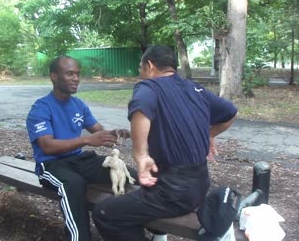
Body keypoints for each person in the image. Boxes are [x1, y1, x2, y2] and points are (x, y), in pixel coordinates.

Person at [92, 45, 238, 241]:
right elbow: (230, 112)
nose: (140, 74)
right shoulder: (194, 88)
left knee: (104, 213)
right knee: (138, 196)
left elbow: (141, 108)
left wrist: (141, 155)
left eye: (140, 69)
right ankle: (159, 237)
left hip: (172, 193)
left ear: (149, 66)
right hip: (199, 186)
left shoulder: (148, 86)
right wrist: (210, 134)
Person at [26, 56, 136, 241]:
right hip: (51, 165)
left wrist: (114, 132)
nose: (76, 78)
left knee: (126, 173)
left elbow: (98, 130)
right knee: (74, 184)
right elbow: (47, 146)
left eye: (77, 74)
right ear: (54, 76)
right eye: (70, 74)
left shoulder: (78, 105)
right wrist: (86, 140)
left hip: (79, 160)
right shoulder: (41, 108)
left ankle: (145, 232)